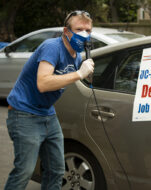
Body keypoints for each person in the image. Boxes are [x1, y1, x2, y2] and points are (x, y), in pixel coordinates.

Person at [4, 10, 94, 190]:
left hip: (47, 114)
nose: (84, 34)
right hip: (24, 113)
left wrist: (87, 78)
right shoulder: (52, 47)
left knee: (56, 170)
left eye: (88, 30)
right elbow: (43, 84)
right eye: (79, 29)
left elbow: (67, 80)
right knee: (24, 171)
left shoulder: (77, 57)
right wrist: (78, 74)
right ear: (66, 32)